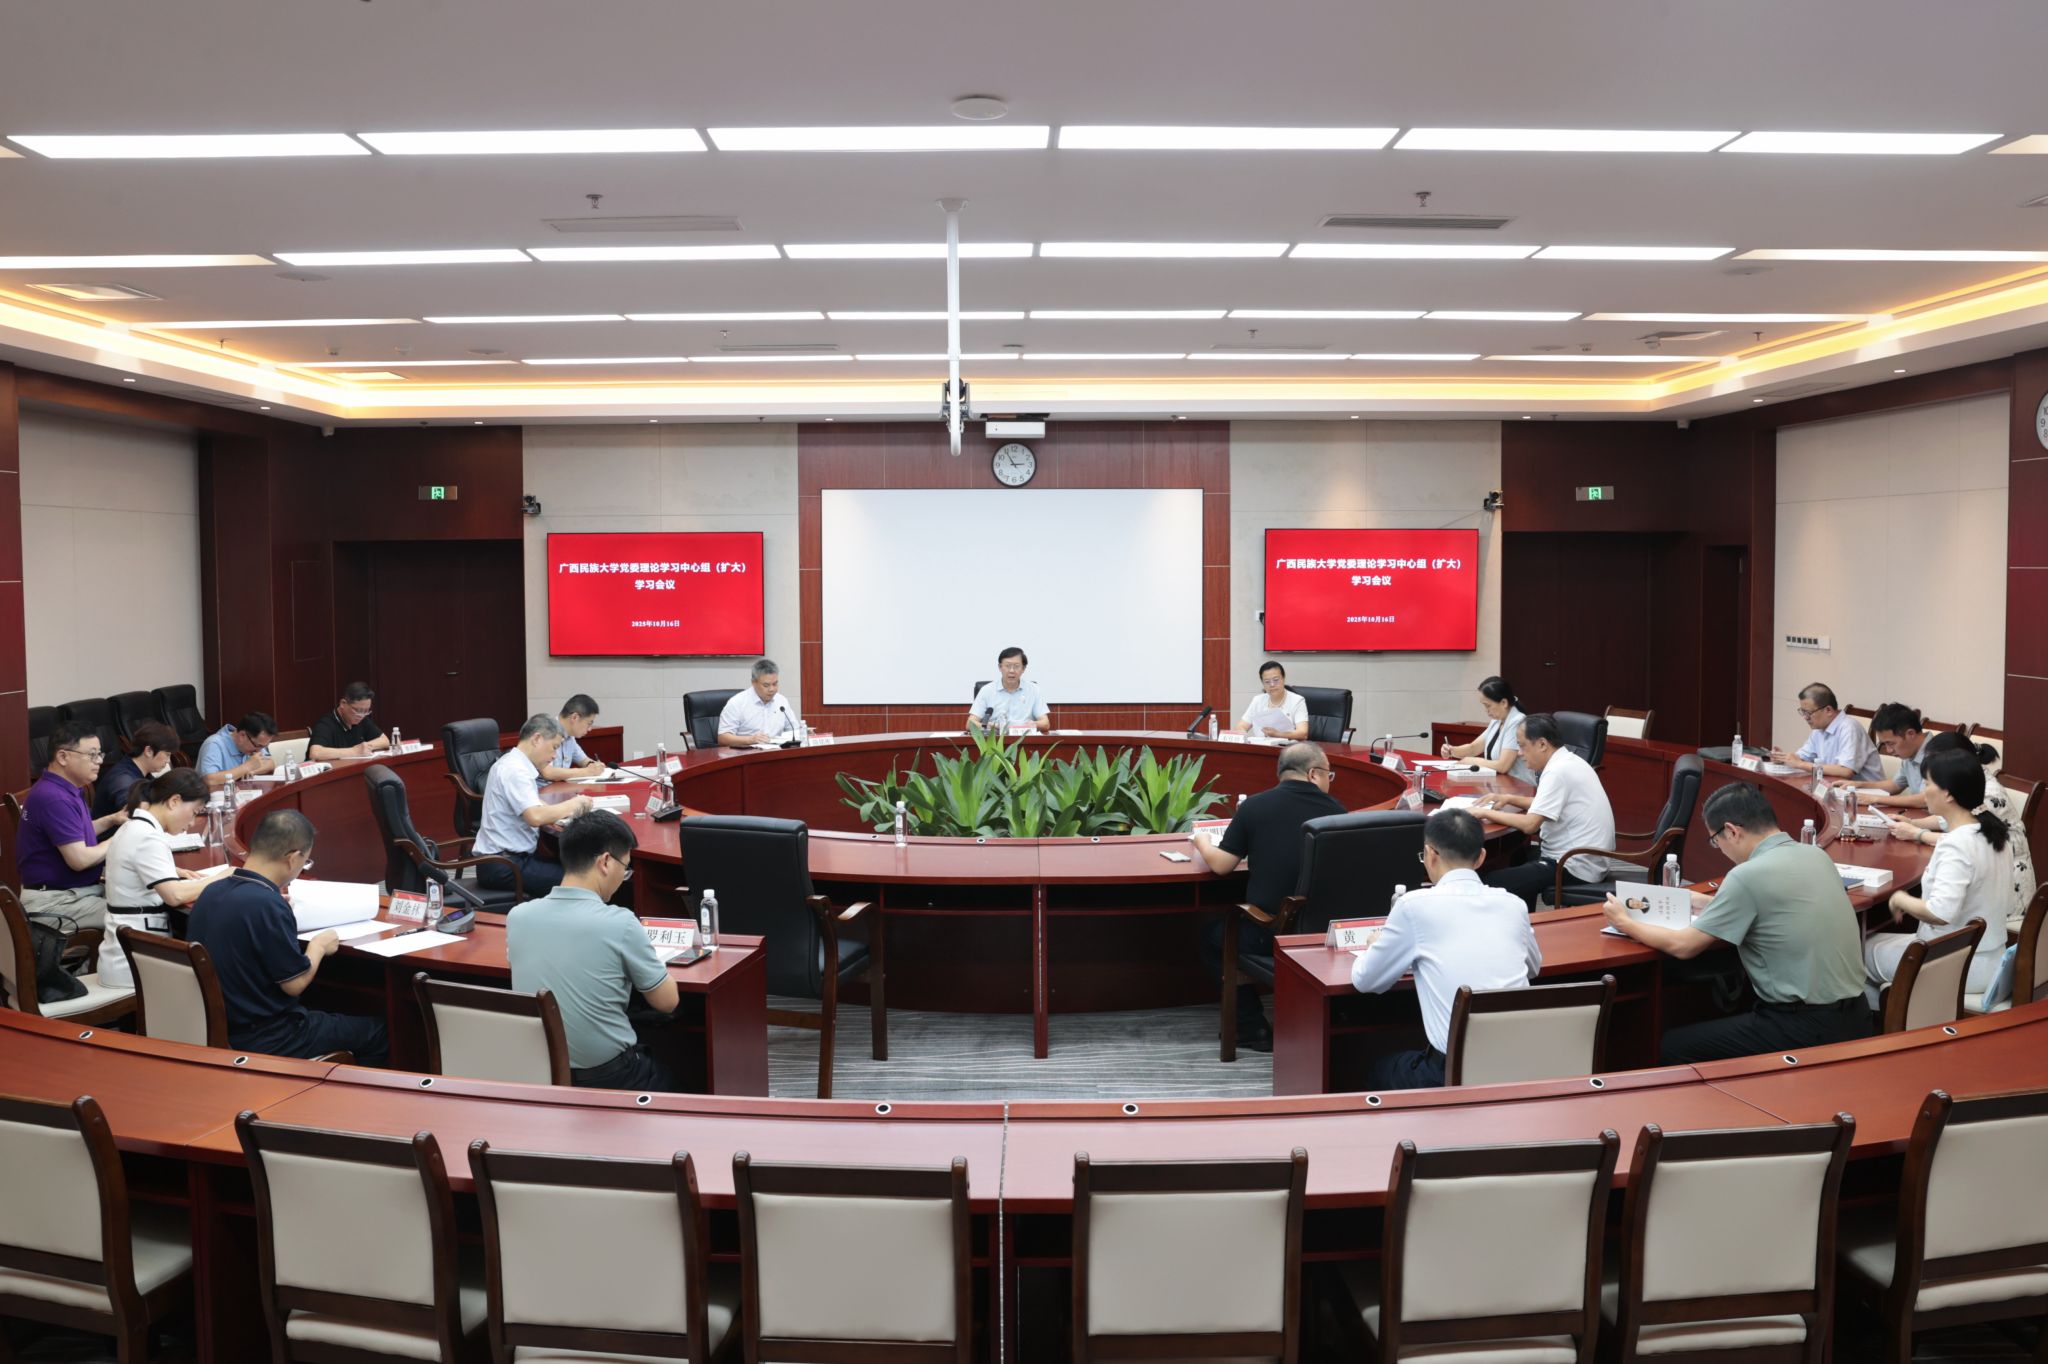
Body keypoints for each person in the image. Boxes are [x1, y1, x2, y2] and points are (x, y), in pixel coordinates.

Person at [1601, 781, 1870, 1063]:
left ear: (1731, 831)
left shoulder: (1747, 875)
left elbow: (1683, 946)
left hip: (1805, 1026)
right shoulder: (1815, 854)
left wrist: (1625, 922)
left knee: (1672, 1046)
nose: (1719, 848)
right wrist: (1705, 902)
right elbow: (1774, 908)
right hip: (1857, 1015)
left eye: (1715, 840)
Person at [1348, 808, 1542, 1089]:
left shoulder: (1414, 906)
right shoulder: (1514, 905)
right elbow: (1533, 968)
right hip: (1520, 1066)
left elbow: (1366, 981)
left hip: (1452, 1074)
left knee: (1374, 1068)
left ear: (1430, 854)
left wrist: (1372, 947)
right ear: (1481, 857)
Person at [185, 809, 389, 1065]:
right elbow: (294, 984)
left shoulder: (211, 891)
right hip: (271, 1036)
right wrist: (318, 946)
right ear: (293, 858)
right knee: (382, 1033)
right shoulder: (267, 905)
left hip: (219, 1028)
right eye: (306, 861)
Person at [507, 810, 681, 1092]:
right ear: (606, 862)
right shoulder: (621, 923)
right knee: (680, 1076)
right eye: (625, 868)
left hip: (543, 1073)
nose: (623, 877)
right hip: (609, 1078)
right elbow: (667, 1002)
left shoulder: (518, 917)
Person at [1190, 741, 1346, 1051]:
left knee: (1213, 937)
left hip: (1274, 932)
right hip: (1328, 931)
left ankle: (1251, 1027)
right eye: (1329, 774)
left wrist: (1202, 841)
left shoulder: (1254, 807)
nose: (1330, 781)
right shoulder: (1338, 813)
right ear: (1313, 774)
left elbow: (1221, 866)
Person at [1863, 748, 2012, 1007]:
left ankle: (1891, 1022)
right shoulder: (1994, 832)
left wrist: (1899, 899)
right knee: (1871, 942)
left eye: (1928, 783)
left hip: (1956, 964)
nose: (1924, 790)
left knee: (1855, 954)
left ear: (1948, 794)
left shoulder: (1956, 844)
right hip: (1989, 954)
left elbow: (1940, 912)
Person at [1471, 713, 1618, 910]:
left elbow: (1530, 825)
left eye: (1522, 746)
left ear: (1542, 744)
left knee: (1491, 880)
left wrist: (1484, 813)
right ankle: (1527, 919)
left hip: (1573, 865)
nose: (1519, 753)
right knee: (1514, 857)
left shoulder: (1557, 771)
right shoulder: (1568, 761)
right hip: (1585, 858)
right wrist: (1509, 798)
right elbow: (1547, 803)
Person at [16, 720, 125, 931]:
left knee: (138, 899)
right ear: (63, 757)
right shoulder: (54, 798)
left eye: (99, 754)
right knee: (138, 915)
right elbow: (80, 860)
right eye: (92, 755)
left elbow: (74, 834)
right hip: (56, 902)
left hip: (72, 893)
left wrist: (111, 819)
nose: (99, 761)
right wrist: (122, 837)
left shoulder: (63, 788)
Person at [473, 714, 593, 898]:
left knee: (575, 867)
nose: (554, 756)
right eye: (554, 747)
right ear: (537, 739)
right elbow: (535, 816)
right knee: (582, 880)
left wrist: (559, 813)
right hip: (504, 865)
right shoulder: (515, 770)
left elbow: (535, 805)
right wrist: (574, 804)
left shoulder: (515, 763)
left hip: (507, 859)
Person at [103, 768, 215, 919]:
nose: (192, 823)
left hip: (126, 924)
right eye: (194, 812)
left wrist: (171, 870)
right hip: (141, 930)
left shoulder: (135, 825)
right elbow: (175, 896)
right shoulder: (148, 837)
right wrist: (220, 879)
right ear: (174, 801)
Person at [1770, 683, 1882, 781]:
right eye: (1803, 712)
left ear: (1828, 710)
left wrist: (1800, 764)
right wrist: (1783, 758)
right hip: (1837, 789)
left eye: (1808, 713)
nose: (1805, 717)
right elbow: (1802, 757)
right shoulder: (1819, 729)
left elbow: (1846, 771)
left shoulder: (1849, 728)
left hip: (1868, 794)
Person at [1440, 675, 1534, 784]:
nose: (1486, 710)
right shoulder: (1497, 720)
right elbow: (1473, 748)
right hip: (1498, 784)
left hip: (1518, 786)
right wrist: (1451, 750)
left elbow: (1503, 766)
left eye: (1488, 705)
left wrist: (1472, 761)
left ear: (1504, 703)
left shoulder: (1517, 721)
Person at [93, 720, 180, 820]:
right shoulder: (122, 777)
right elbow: (136, 811)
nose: (168, 761)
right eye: (167, 755)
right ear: (149, 751)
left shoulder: (145, 773)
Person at [1854, 702, 1933, 809]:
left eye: (1890, 743)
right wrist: (1859, 785)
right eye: (1885, 744)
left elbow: (1926, 799)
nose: (1888, 750)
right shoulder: (1911, 751)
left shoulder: (1938, 752)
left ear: (1911, 734)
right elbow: (1895, 785)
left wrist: (1876, 799)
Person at [717, 658, 801, 748]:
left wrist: (804, 732)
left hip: (776, 752)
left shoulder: (781, 701)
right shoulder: (737, 703)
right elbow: (723, 738)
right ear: (753, 682)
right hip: (747, 753)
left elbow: (794, 730)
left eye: (775, 684)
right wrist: (750, 740)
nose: (772, 689)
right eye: (766, 685)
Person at [967, 647, 1050, 734]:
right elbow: (970, 724)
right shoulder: (987, 690)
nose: (1011, 670)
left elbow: (1045, 724)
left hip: (1024, 738)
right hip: (995, 739)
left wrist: (1030, 725)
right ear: (1000, 667)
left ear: (1023, 669)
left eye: (1016, 666)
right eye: (1007, 666)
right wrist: (991, 726)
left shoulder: (1034, 690)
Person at [307, 682, 389, 761]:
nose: (361, 715)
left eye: (366, 711)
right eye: (357, 710)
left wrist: (366, 747)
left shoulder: (361, 719)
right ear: (343, 703)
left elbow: (385, 740)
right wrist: (355, 751)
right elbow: (315, 753)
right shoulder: (326, 724)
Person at [196, 710, 277, 788]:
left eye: (264, 746)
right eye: (258, 746)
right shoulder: (214, 744)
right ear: (242, 735)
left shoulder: (255, 743)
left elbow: (270, 763)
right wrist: (246, 767)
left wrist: (251, 771)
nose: (259, 751)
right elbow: (210, 780)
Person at [1235, 660, 1309, 741]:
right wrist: (1244, 736)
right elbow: (1241, 726)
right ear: (1262, 683)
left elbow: (1303, 733)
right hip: (1260, 746)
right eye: (1267, 682)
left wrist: (1278, 734)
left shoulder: (1297, 701)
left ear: (1283, 678)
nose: (1272, 685)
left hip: (1288, 747)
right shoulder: (1258, 700)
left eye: (1276, 680)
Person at [540, 693, 609, 780]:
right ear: (574, 717)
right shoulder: (547, 731)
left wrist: (593, 765)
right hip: (542, 788)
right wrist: (586, 772)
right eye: (589, 723)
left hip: (559, 786)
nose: (590, 729)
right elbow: (547, 772)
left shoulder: (570, 736)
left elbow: (583, 760)